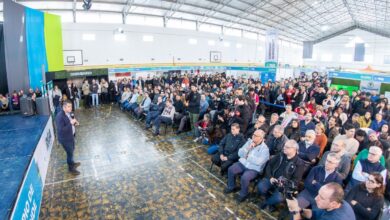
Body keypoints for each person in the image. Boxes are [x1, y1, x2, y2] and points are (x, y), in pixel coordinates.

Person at [257, 139, 304, 212]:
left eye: (287, 147)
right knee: (260, 187)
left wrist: (283, 184)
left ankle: (266, 203)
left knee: (278, 198)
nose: (284, 148)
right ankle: (269, 202)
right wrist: (270, 177)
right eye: (284, 146)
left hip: (284, 185)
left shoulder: (299, 163)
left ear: (294, 149)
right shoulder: (281, 155)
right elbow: (269, 165)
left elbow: (296, 180)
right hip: (272, 179)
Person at [224, 129, 269, 202]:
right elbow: (240, 153)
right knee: (231, 169)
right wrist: (248, 148)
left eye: (255, 136)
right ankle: (231, 186)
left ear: (261, 138)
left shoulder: (265, 149)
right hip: (243, 163)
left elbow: (258, 162)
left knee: (245, 177)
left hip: (254, 169)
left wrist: (247, 156)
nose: (253, 136)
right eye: (253, 134)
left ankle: (243, 194)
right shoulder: (249, 142)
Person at [286, 183, 356, 220]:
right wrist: (299, 210)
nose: (316, 198)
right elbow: (315, 214)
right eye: (318, 194)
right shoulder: (341, 202)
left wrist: (295, 212)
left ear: (333, 203)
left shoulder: (332, 218)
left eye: (321, 198)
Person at [55, 100, 81, 175]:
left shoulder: (69, 113)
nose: (71, 108)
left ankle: (72, 163)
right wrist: (70, 123)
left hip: (71, 136)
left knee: (72, 151)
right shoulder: (59, 116)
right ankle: (71, 168)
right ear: (64, 107)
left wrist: (75, 123)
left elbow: (71, 120)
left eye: (71, 106)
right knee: (70, 153)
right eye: (69, 107)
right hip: (65, 139)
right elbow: (61, 130)